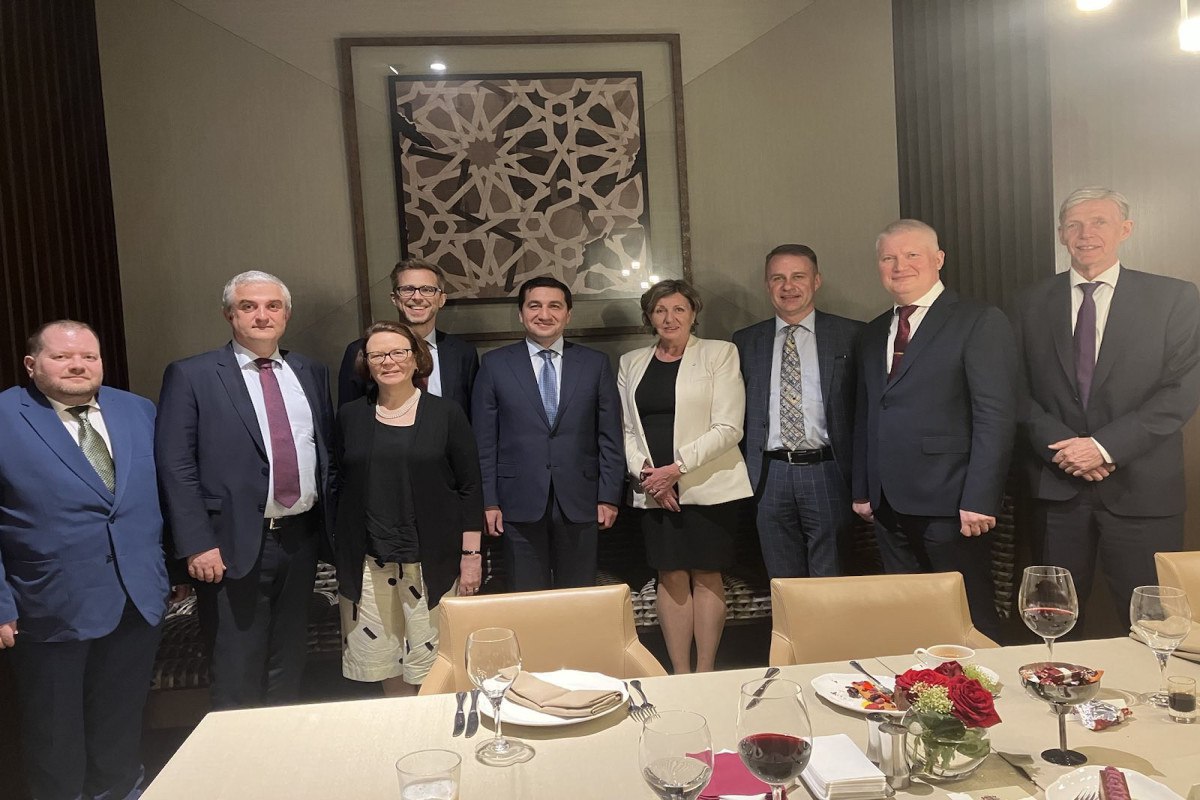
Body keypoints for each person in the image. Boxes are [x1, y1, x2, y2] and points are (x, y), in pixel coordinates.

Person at [0, 321, 171, 800]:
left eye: (89, 357)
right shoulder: (5, 416)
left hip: (136, 598)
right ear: (32, 364)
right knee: (55, 736)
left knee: (121, 724)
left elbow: (161, 495)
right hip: (48, 604)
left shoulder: (137, 410)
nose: (77, 365)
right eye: (62, 357)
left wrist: (168, 572)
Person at [1014, 187, 1200, 621]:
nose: (1086, 234)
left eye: (1099, 222)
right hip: (1056, 488)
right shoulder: (1028, 302)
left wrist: (1101, 447)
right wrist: (1067, 449)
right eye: (1074, 225)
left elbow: (1181, 391)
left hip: (1143, 490)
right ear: (1061, 234)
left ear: (1125, 230)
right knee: (1052, 619)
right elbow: (1015, 391)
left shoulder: (1173, 298)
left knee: (1153, 622)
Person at [156, 270, 334, 709]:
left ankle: (281, 744)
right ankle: (238, 750)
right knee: (236, 665)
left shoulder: (310, 371)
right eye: (248, 306)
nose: (262, 316)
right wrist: (196, 543)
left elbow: (324, 452)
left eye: (273, 306)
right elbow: (176, 465)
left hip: (301, 538)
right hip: (228, 544)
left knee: (288, 660)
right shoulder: (192, 374)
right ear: (228, 314)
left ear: (286, 314)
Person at [852, 220, 1017, 640]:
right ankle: (920, 681)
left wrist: (980, 498)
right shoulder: (873, 331)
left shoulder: (978, 320)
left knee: (968, 615)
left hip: (952, 500)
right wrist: (862, 488)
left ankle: (987, 683)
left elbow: (995, 415)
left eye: (912, 255)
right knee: (909, 616)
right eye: (889, 258)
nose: (899, 266)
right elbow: (868, 413)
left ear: (938, 259)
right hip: (887, 502)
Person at [334, 321, 484, 696]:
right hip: (369, 561)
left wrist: (471, 555)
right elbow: (338, 482)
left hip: (432, 560)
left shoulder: (446, 413)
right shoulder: (351, 416)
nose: (389, 361)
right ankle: (402, 727)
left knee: (435, 663)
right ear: (366, 364)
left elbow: (470, 486)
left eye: (398, 352)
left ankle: (437, 729)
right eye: (377, 355)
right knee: (385, 659)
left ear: (417, 359)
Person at [618, 280, 753, 673]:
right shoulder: (631, 362)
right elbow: (626, 429)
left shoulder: (719, 353)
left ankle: (705, 671)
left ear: (694, 313)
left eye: (679, 309)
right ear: (649, 317)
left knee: (707, 575)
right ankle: (680, 674)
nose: (669, 318)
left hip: (709, 486)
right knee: (670, 574)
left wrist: (675, 470)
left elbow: (729, 427)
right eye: (660, 310)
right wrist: (649, 476)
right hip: (654, 491)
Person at [471, 276, 623, 591]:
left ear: (568, 314)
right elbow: (484, 442)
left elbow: (610, 436)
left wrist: (609, 496)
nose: (544, 314)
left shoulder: (595, 364)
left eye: (555, 306)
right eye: (534, 306)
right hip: (516, 501)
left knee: (579, 596)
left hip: (582, 500)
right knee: (527, 597)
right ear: (521, 314)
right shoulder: (495, 364)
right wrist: (489, 502)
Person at [733, 244, 864, 578]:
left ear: (816, 281)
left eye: (798, 277)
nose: (788, 286)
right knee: (782, 580)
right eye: (778, 278)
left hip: (828, 471)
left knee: (831, 577)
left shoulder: (852, 335)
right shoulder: (745, 341)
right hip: (768, 475)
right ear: (767, 285)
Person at [338, 258, 478, 413]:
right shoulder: (361, 351)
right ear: (395, 299)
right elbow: (348, 418)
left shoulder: (463, 353)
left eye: (427, 290)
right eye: (407, 289)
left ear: (441, 299)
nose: (417, 297)